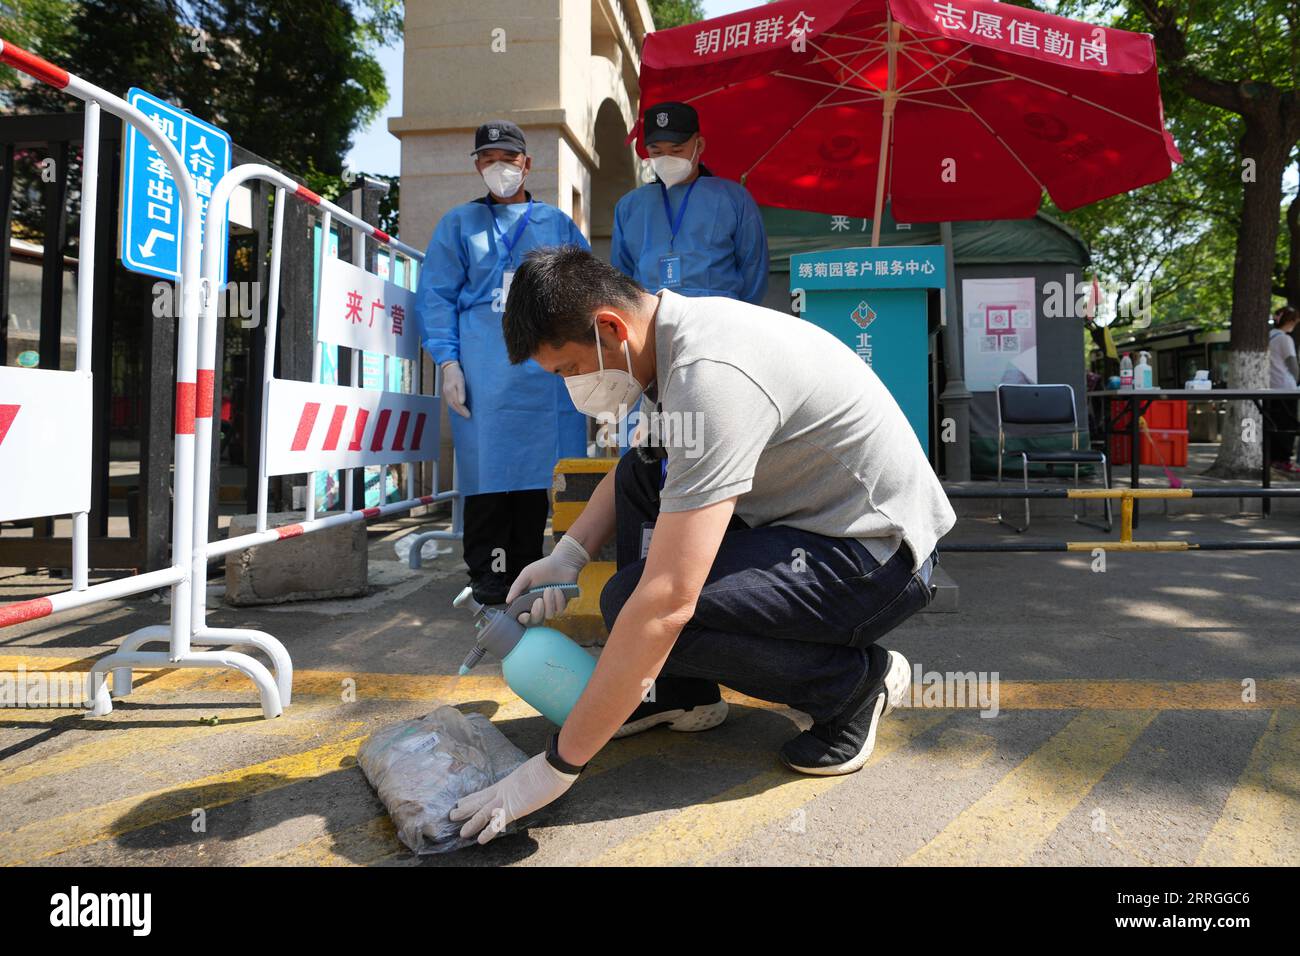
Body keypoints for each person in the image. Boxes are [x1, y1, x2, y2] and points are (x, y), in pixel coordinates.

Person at [448, 247, 956, 844]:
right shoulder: (672, 340)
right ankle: (678, 691)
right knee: (646, 471)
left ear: (610, 327)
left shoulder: (711, 376)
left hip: (876, 557)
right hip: (803, 525)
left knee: (642, 607)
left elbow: (665, 604)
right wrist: (568, 555)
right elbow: (636, 473)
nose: (572, 390)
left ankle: (848, 687)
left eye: (568, 370)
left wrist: (557, 765)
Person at [416, 121, 589, 605]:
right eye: (488, 159)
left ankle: (528, 571)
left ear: (526, 163)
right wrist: (448, 363)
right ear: (477, 165)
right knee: (488, 475)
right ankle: (489, 578)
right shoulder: (458, 225)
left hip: (542, 371)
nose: (499, 168)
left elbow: (582, 288)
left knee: (534, 478)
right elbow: (435, 298)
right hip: (483, 369)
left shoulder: (554, 224)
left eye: (507, 159)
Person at [610, 101, 768, 303]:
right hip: (651, 319)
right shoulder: (629, 206)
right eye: (656, 152)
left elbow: (754, 268)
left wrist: (735, 318)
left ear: (699, 145)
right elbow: (621, 277)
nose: (666, 158)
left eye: (677, 151)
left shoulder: (733, 199)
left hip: (717, 316)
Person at [1268, 306, 1300, 477]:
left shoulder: (1268, 336)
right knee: (1288, 425)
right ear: (1290, 321)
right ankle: (1284, 460)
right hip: (1286, 387)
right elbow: (1293, 365)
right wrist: (1296, 381)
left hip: (1270, 387)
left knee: (1274, 424)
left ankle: (1273, 458)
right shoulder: (1285, 339)